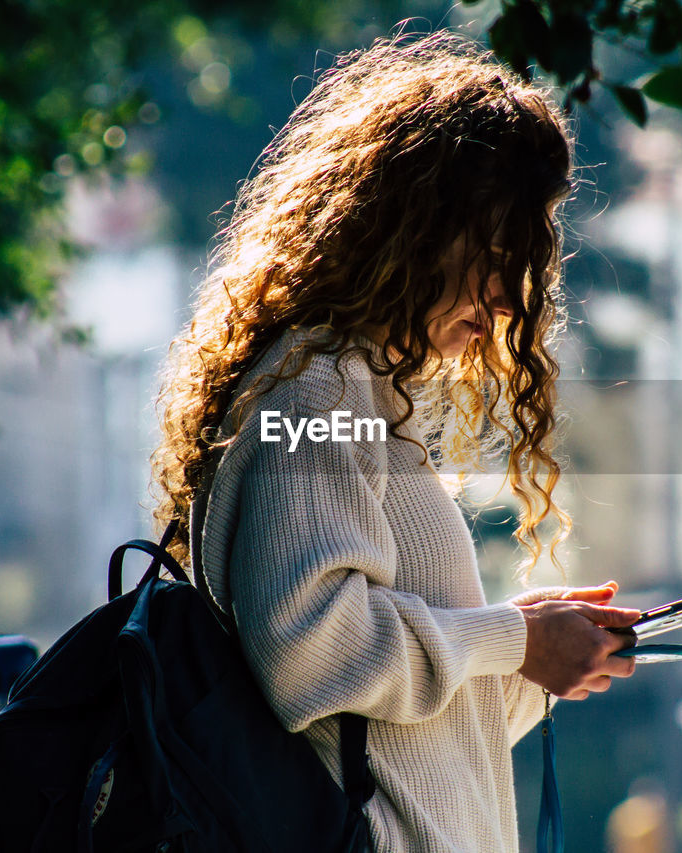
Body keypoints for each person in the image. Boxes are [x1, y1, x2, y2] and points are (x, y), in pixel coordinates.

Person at [151, 30, 644, 852]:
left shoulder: (364, 395)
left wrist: (537, 657)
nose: (507, 302)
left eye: (522, 267)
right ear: (411, 229)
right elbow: (308, 653)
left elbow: (407, 732)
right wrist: (515, 637)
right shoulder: (319, 388)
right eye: (493, 255)